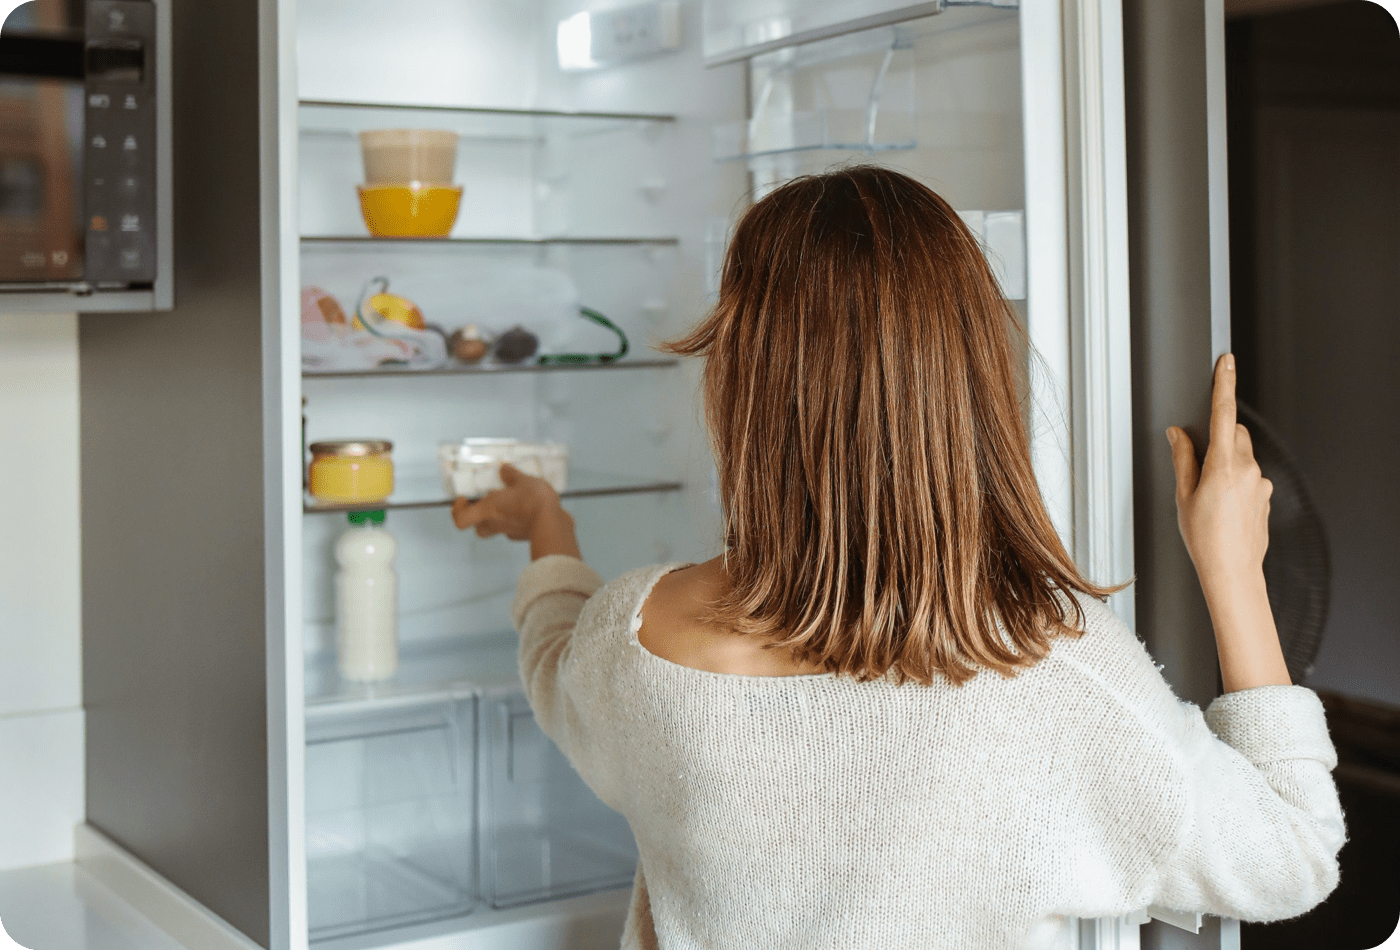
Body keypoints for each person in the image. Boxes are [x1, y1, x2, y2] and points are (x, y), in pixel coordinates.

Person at [452, 166, 1344, 949]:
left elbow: (555, 661)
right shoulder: (1054, 671)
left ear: (743, 387)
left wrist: (545, 528)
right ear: (971, 381)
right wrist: (1234, 572)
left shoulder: (640, 636)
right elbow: (1293, 859)